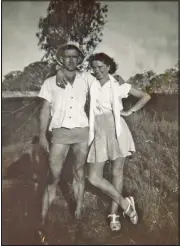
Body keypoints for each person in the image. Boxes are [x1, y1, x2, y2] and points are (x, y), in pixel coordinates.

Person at [86, 53, 151, 231]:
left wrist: (130, 112)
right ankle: (126, 204)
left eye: (100, 67)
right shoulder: (91, 84)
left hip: (117, 130)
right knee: (93, 177)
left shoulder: (119, 85)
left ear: (108, 66)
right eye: (94, 67)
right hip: (98, 131)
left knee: (117, 172)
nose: (97, 71)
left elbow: (145, 96)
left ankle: (114, 214)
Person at [38, 42, 95, 243]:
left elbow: (106, 79)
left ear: (79, 59)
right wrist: (42, 135)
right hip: (60, 133)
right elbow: (45, 110)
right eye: (67, 57)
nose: (71, 60)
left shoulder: (87, 79)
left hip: (81, 132)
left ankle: (78, 213)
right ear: (61, 59)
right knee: (53, 175)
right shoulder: (50, 82)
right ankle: (42, 221)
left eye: (74, 57)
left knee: (79, 173)